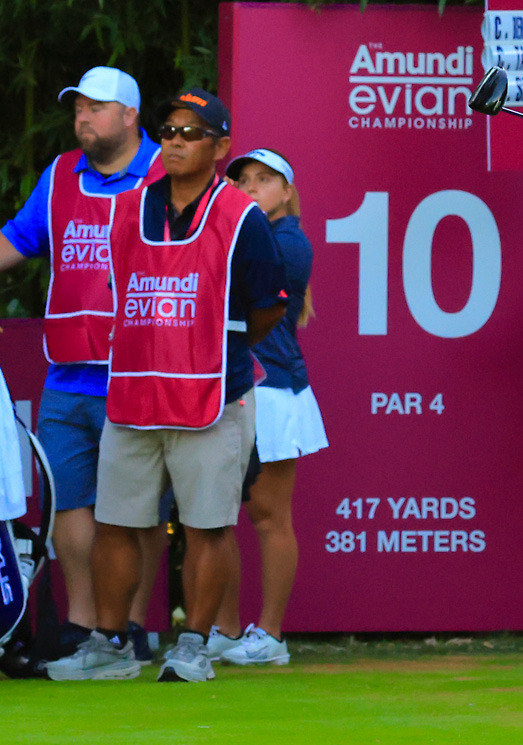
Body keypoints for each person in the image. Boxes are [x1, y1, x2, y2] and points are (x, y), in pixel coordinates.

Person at [45, 88, 286, 683]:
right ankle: (111, 642)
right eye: (169, 129)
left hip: (210, 393)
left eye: (191, 132)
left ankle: (194, 644)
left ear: (220, 146)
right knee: (118, 521)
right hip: (132, 392)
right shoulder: (130, 207)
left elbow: (268, 309)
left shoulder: (242, 217)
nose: (175, 140)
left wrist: (213, 350)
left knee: (209, 524)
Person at [0, 66, 169, 662]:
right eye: (77, 108)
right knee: (67, 503)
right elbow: (17, 242)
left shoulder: (165, 173)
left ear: (129, 116)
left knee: (140, 509)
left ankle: (130, 626)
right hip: (67, 371)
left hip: (142, 373)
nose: (82, 118)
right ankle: (79, 626)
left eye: (96, 108)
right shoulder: (58, 173)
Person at [204, 148, 328, 666]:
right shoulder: (239, 235)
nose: (250, 186)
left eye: (263, 179)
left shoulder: (288, 242)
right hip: (232, 386)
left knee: (269, 516)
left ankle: (271, 636)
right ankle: (228, 630)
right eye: (242, 179)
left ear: (286, 192)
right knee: (217, 515)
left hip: (274, 391)